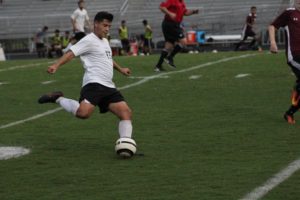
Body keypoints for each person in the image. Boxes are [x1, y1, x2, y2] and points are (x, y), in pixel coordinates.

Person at [38, 12, 136, 150]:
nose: (107, 29)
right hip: (94, 84)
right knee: (83, 114)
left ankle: (126, 146)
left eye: (109, 26)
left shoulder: (105, 41)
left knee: (126, 113)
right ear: (96, 24)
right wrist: (56, 65)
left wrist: (121, 69)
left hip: (108, 86)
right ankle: (58, 98)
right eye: (105, 25)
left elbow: (108, 59)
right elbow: (71, 53)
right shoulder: (89, 40)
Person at [269, 0, 300, 124]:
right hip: (295, 55)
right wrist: (272, 42)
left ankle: (289, 113)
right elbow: (272, 26)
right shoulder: (290, 13)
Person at [154, 0, 199, 72]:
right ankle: (170, 57)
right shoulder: (173, 0)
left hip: (173, 24)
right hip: (170, 24)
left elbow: (185, 12)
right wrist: (170, 13)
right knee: (183, 41)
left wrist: (193, 12)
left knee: (169, 46)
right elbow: (162, 7)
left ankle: (158, 66)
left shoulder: (182, 2)